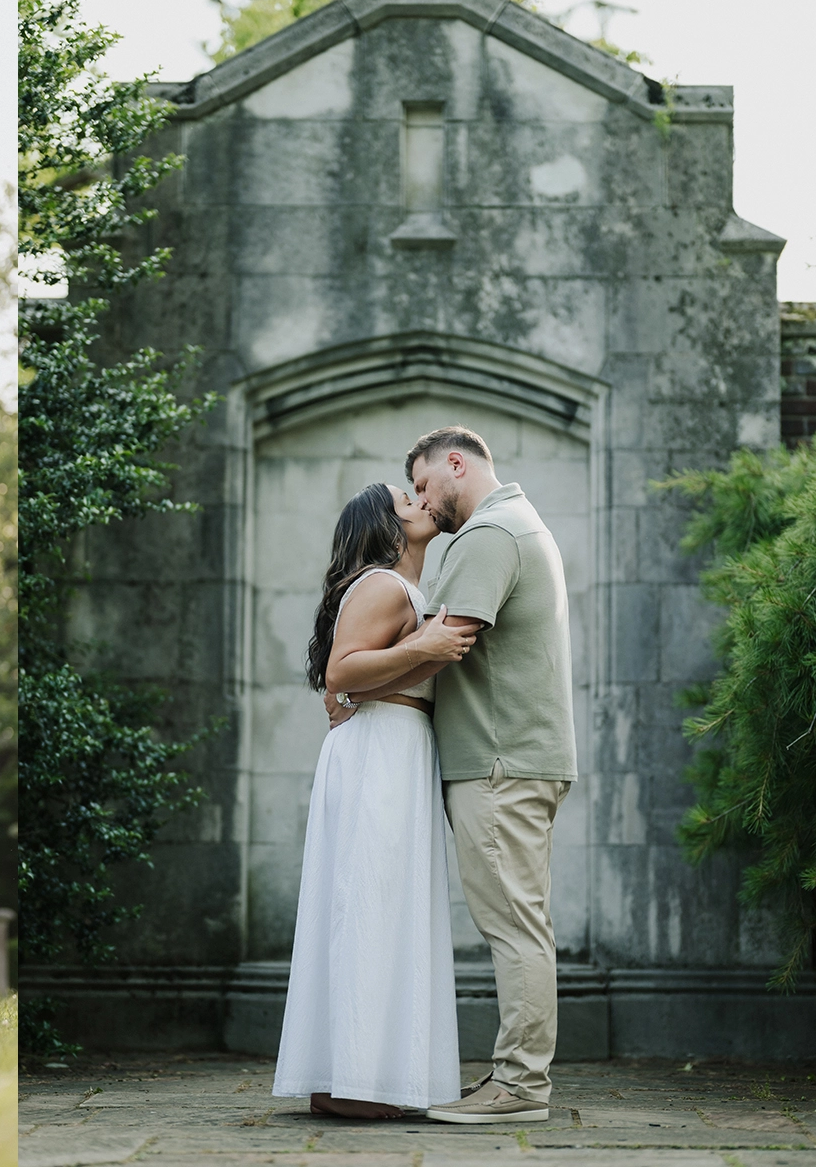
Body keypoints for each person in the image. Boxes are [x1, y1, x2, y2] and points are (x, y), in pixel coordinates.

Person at [330, 426, 576, 1124]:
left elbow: (445, 647)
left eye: (421, 483)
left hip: (499, 760)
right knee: (521, 919)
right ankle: (516, 1078)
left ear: (455, 464)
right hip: (513, 757)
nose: (420, 499)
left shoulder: (489, 534)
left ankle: (520, 1087)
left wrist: (351, 687)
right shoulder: (514, 525)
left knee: (513, 925)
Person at [272, 483, 475, 1117]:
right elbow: (342, 673)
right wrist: (426, 647)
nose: (419, 500)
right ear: (384, 524)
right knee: (369, 904)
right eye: (403, 498)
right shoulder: (383, 585)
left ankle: (363, 1078)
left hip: (398, 745)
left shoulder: (407, 588)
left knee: (382, 907)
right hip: (379, 753)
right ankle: (355, 1082)